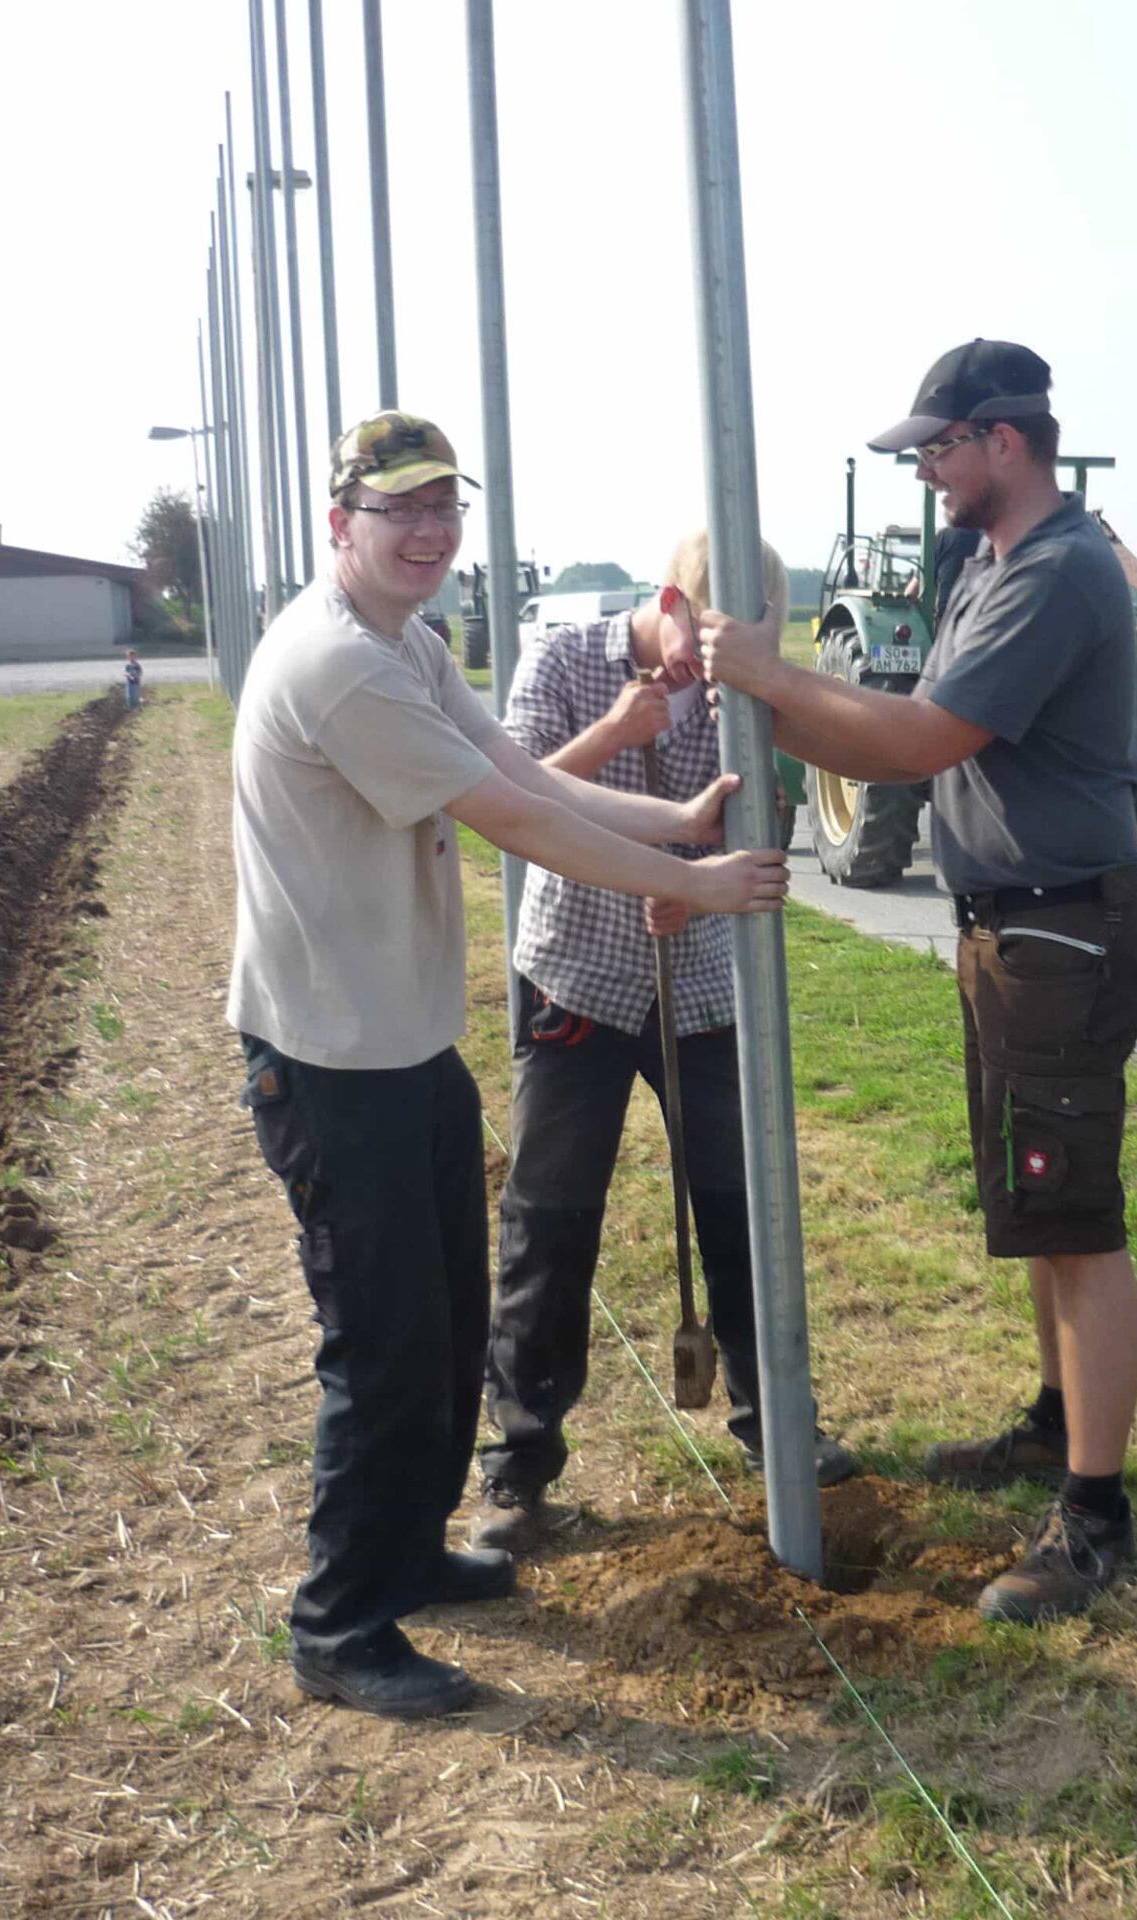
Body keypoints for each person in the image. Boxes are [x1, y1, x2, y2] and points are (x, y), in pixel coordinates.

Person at [229, 409, 787, 1720]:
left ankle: (411, 1555)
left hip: (405, 1042)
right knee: (380, 1345)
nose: (429, 533)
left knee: (441, 1326)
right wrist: (693, 879)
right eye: (399, 510)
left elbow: (523, 774)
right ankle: (339, 1622)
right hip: (331, 1055)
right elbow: (515, 821)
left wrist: (675, 822)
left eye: (445, 508)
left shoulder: (407, 643)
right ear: (341, 524)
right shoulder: (340, 666)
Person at [701, 339, 1137, 1624]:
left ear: (1003, 441)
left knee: (1076, 1222)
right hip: (1013, 932)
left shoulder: (1058, 572)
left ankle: (1096, 1519)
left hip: (1063, 932)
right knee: (1037, 1209)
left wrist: (769, 676)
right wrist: (765, 705)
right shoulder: (986, 564)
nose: (926, 472)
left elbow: (921, 738)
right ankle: (1058, 1424)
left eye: (939, 449)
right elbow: (896, 732)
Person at [468, 534, 858, 1556]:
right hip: (577, 980)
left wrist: (693, 885)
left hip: (702, 989)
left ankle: (776, 1425)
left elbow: (761, 824)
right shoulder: (563, 660)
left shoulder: (741, 694)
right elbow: (507, 795)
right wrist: (615, 730)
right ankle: (518, 1464)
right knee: (549, 1221)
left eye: (748, 647)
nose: (721, 665)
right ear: (671, 603)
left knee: (742, 1210)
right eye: (712, 640)